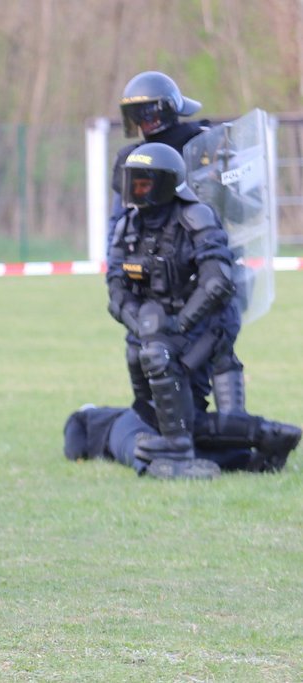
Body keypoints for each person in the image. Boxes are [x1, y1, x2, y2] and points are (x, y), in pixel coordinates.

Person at [111, 71, 246, 415]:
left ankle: (233, 425)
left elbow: (246, 207)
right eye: (136, 115)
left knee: (217, 341)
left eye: (149, 113)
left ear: (168, 109)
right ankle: (155, 421)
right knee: (146, 349)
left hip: (206, 262)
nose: (144, 123)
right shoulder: (133, 161)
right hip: (160, 272)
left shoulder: (210, 144)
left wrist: (219, 186)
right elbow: (121, 223)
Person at [107, 141, 240, 471]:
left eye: (144, 184)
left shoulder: (196, 216)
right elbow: (116, 289)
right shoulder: (129, 225)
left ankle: (229, 439)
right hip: (159, 328)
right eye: (132, 183)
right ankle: (162, 431)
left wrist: (178, 326)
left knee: (158, 353)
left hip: (202, 328)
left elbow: (216, 282)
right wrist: (142, 325)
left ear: (165, 184)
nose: (136, 192)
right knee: (142, 348)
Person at [63, 402, 301, 479]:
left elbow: (74, 449)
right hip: (150, 417)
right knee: (187, 446)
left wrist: (80, 455)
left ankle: (153, 464)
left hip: (123, 425)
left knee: (135, 446)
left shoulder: (85, 417)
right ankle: (249, 460)